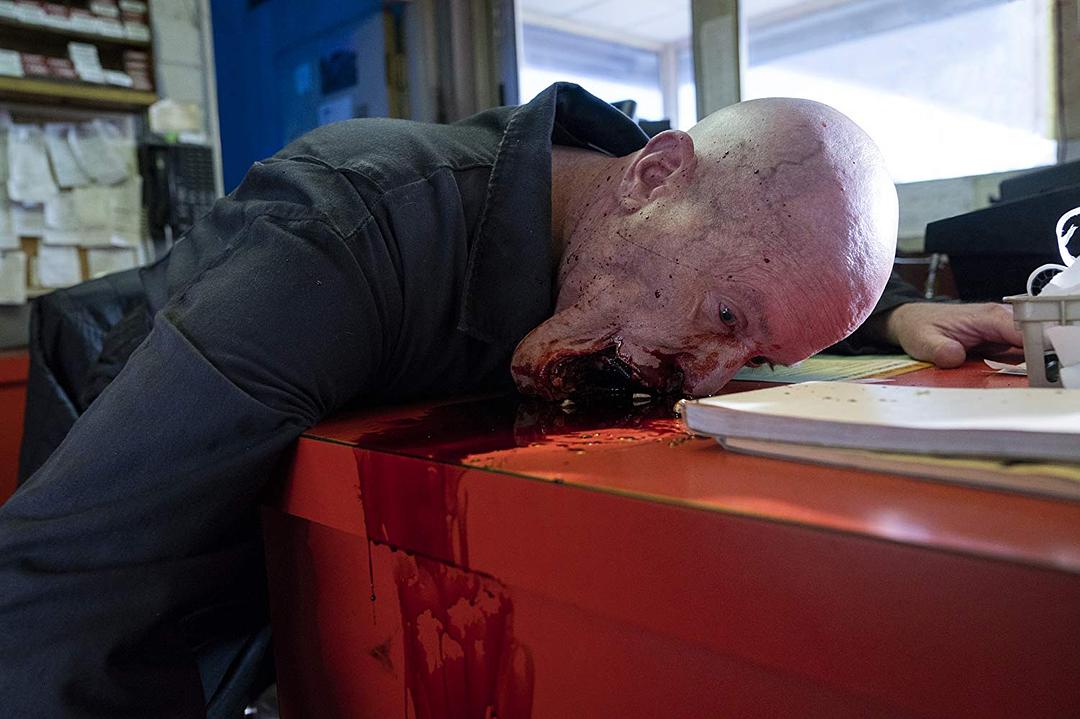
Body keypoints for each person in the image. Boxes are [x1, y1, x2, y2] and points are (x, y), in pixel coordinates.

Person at [0, 83, 1019, 718]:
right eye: (724, 318)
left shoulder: (650, 219)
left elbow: (763, 267)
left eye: (762, 351)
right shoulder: (345, 233)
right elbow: (58, 599)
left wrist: (896, 317)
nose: (711, 375)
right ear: (653, 176)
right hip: (126, 509)